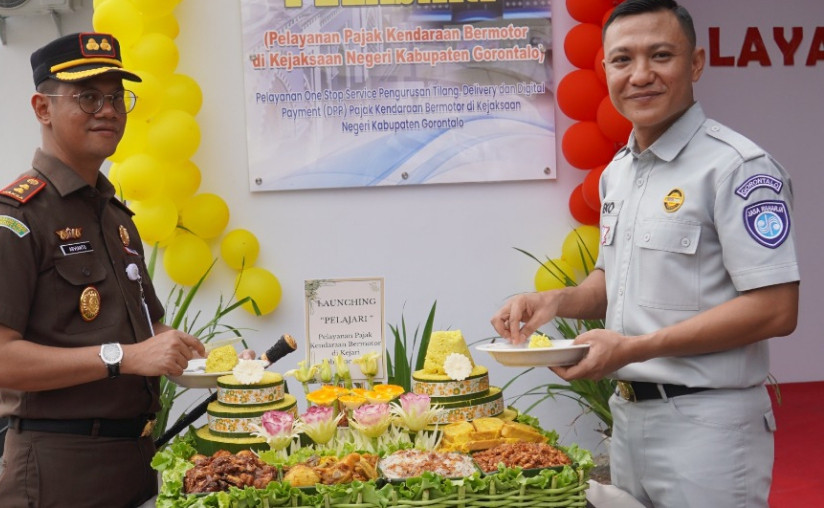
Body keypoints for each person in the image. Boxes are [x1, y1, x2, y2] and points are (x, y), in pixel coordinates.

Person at [491, 1, 800, 506]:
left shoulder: (737, 168)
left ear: (695, 63)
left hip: (709, 427)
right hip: (630, 416)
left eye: (660, 56)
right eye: (622, 60)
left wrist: (633, 349)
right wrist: (556, 301)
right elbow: (616, 278)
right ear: (605, 70)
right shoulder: (621, 171)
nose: (640, 76)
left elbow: (776, 308)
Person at [0, 32, 205, 507]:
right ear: (42, 107)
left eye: (116, 97)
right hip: (58, 471)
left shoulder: (115, 217)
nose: (108, 110)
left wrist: (197, 359)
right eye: (88, 96)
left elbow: (146, 328)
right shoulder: (19, 217)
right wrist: (124, 357)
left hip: (133, 462)